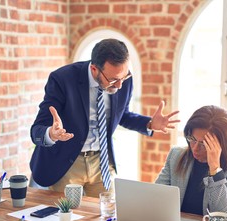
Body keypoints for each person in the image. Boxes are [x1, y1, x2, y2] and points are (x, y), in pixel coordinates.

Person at [30, 38, 179, 197]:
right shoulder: (62, 79)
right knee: (67, 218)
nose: (120, 85)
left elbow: (123, 115)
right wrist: (51, 134)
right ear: (94, 69)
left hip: (101, 162)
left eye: (124, 77)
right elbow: (37, 129)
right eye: (114, 80)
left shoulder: (122, 79)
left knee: (106, 217)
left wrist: (149, 123)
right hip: (66, 164)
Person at [155, 105, 227, 220]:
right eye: (192, 139)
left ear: (223, 145)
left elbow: (222, 214)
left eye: (204, 144)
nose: (195, 148)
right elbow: (156, 197)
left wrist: (215, 169)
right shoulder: (176, 155)